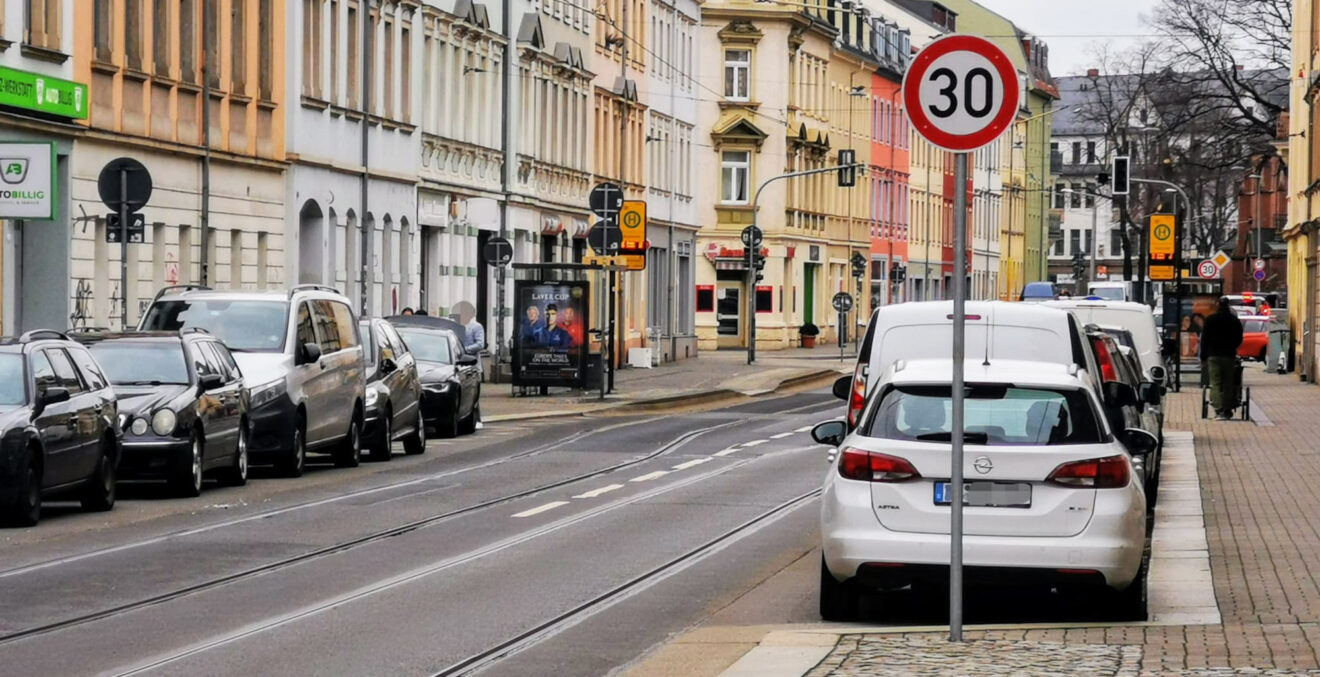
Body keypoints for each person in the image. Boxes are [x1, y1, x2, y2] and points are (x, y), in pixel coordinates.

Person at [1200, 297, 1244, 419]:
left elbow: (1204, 340)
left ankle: (1219, 409)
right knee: (1228, 383)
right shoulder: (1234, 320)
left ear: (1217, 305)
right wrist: (1233, 347)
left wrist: (1203, 357)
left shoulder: (1210, 320)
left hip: (1213, 355)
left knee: (1215, 382)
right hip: (1229, 355)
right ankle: (1227, 408)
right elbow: (1239, 338)